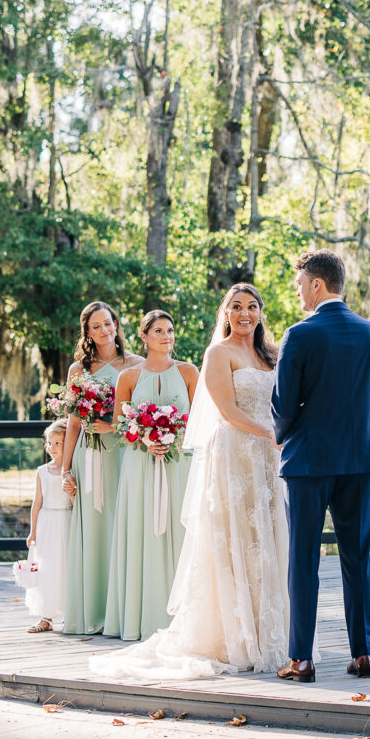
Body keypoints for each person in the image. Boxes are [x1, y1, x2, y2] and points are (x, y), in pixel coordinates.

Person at [91, 285, 294, 682]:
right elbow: (227, 410)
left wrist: (284, 432)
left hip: (268, 459)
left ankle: (270, 628)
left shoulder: (271, 353)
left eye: (252, 307)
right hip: (235, 455)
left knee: (266, 539)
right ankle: (234, 634)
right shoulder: (217, 354)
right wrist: (271, 433)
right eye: (236, 307)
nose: (244, 314)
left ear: (260, 313)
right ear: (225, 313)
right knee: (236, 539)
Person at [272, 251, 370, 683]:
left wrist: (282, 432)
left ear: (318, 284)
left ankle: (301, 658)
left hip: (307, 462)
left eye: (301, 282)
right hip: (358, 459)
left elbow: (283, 404)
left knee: (303, 558)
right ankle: (363, 655)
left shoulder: (299, 334)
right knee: (358, 556)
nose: (298, 290)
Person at [102, 311, 198, 641]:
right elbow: (119, 423)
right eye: (158, 330)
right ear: (144, 336)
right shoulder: (128, 376)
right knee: (141, 532)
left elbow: (199, 420)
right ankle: (139, 617)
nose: (166, 336)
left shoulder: (189, 371)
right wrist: (146, 436)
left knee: (180, 531)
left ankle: (184, 617)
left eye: (170, 330)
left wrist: (171, 436)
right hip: (139, 465)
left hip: (178, 463)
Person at [62, 302, 141, 634]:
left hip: (123, 452)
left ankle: (123, 611)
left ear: (116, 324)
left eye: (107, 323)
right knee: (94, 528)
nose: (104, 330)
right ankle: (92, 610)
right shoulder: (77, 370)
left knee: (122, 525)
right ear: (88, 333)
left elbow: (139, 417)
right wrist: (65, 469)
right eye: (96, 326)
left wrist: (113, 427)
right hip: (89, 457)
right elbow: (73, 421)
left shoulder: (136, 364)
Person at [16, 419, 74, 633]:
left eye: (58, 443)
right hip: (47, 523)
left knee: (66, 566)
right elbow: (37, 503)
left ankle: (71, 614)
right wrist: (32, 531)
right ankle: (46, 617)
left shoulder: (72, 470)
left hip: (66, 521)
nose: (52, 448)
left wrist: (73, 494)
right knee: (47, 567)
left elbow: (76, 503)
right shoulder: (42, 471)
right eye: (49, 443)